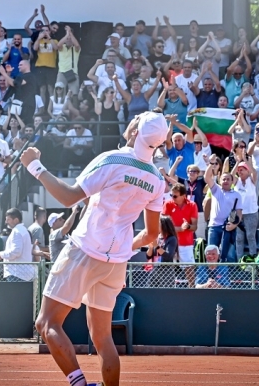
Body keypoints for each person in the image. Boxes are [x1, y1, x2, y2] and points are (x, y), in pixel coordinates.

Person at [25, 112, 166, 386]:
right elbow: (151, 234)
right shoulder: (157, 180)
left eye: (137, 119)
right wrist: (124, 247)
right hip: (116, 263)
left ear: (135, 132)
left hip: (85, 249)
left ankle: (79, 384)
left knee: (47, 323)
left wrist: (35, 166)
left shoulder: (112, 159)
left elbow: (68, 197)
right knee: (103, 338)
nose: (132, 119)